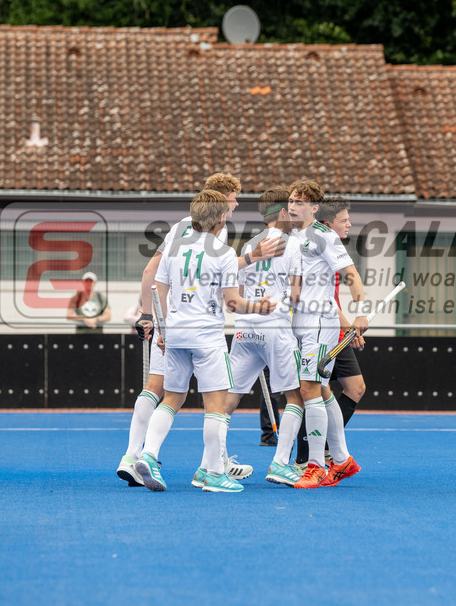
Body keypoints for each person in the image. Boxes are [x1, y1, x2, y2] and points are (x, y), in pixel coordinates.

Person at [116, 172, 281, 486]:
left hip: (173, 328)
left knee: (169, 395)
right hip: (204, 332)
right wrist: (258, 302)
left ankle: (144, 455)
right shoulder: (205, 237)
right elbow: (227, 294)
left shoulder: (186, 239)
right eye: (231, 201)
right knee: (210, 403)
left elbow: (161, 278)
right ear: (218, 206)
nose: (235, 206)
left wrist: (158, 323)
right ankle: (209, 470)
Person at [221, 187, 306, 486]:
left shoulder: (249, 245)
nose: (293, 216)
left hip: (245, 327)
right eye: (290, 211)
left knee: (227, 398)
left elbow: (239, 292)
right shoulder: (293, 244)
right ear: (282, 212)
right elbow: (296, 294)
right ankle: (280, 464)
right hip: (276, 327)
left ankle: (216, 461)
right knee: (296, 397)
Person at [287, 180, 369, 488]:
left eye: (299, 202)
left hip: (320, 323)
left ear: (314, 208)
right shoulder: (293, 237)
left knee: (310, 389)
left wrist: (360, 312)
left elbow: (351, 274)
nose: (292, 206)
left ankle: (315, 466)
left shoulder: (324, 236)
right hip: (299, 323)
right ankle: (342, 459)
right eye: (291, 201)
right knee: (320, 390)